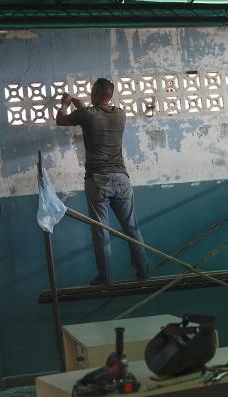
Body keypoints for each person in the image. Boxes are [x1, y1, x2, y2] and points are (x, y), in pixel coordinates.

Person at [56, 78, 149, 285]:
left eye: (92, 91)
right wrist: (81, 105)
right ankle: (143, 272)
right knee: (132, 228)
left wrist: (65, 102)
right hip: (122, 179)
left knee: (101, 231)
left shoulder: (88, 115)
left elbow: (61, 120)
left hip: (98, 180)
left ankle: (106, 278)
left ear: (96, 91)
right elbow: (93, 114)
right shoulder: (120, 114)